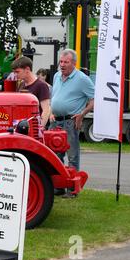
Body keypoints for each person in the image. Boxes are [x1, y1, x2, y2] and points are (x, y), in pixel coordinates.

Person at [49, 49, 94, 198]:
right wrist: (51, 112)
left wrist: (82, 114)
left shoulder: (82, 79)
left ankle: (73, 190)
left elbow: (94, 99)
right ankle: (59, 187)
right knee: (55, 156)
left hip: (70, 122)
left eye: (65, 62)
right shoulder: (56, 76)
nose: (62, 65)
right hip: (56, 122)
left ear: (74, 63)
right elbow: (54, 98)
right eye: (61, 62)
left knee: (72, 156)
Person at [11, 57, 50, 128]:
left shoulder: (41, 85)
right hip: (21, 127)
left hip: (33, 128)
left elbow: (46, 110)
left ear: (27, 69)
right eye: (14, 72)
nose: (15, 75)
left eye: (17, 72)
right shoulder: (21, 84)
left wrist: (39, 129)